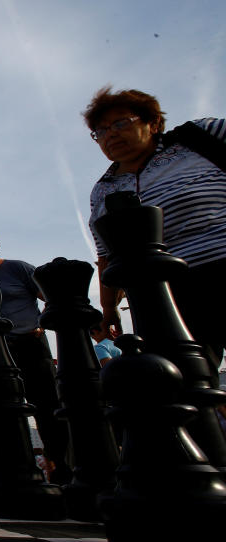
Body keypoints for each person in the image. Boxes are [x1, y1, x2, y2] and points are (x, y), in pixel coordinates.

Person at [84, 87, 226, 373]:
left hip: (221, 263)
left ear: (153, 123)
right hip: (166, 294)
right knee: (182, 379)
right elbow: (107, 255)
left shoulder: (200, 137)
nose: (110, 134)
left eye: (121, 123)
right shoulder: (102, 191)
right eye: (100, 131)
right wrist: (109, 309)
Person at [0, 232, 71, 484]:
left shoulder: (18, 269)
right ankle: (14, 470)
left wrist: (42, 323)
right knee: (2, 410)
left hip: (31, 344)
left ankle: (59, 466)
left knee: (47, 406)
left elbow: (51, 296)